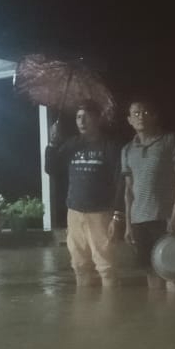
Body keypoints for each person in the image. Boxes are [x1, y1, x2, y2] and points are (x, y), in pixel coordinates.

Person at [45, 100, 124, 287]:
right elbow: (51, 169)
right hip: (74, 213)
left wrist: (117, 216)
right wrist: (52, 144)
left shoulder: (110, 147)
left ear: (98, 119)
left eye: (86, 117)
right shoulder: (72, 145)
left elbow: (121, 182)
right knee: (79, 266)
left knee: (106, 267)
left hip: (101, 214)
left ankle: (112, 303)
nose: (82, 121)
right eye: (78, 117)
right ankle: (84, 304)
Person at [121, 98, 175, 291]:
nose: (140, 116)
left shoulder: (170, 140)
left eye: (145, 112)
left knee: (173, 273)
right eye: (136, 113)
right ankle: (156, 309)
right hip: (138, 221)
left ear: (155, 116)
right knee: (150, 273)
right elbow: (128, 190)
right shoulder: (126, 150)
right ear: (129, 120)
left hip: (164, 218)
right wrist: (128, 225)